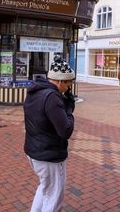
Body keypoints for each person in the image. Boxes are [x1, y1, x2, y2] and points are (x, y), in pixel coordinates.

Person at [24, 56, 75, 212]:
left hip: (35, 151)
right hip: (50, 156)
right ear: (59, 81)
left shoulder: (35, 91)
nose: (69, 87)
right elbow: (65, 130)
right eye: (68, 83)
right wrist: (68, 109)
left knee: (45, 188)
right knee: (53, 198)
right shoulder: (52, 97)